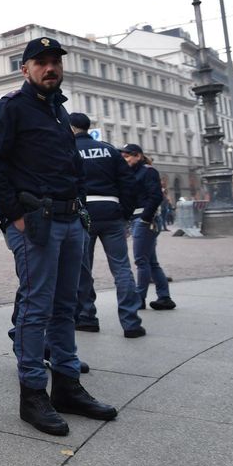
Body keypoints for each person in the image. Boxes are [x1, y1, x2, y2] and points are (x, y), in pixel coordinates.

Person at [0, 36, 117, 437]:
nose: (49, 67)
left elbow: (68, 166)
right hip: (36, 223)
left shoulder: (59, 111)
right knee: (36, 309)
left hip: (71, 220)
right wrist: (14, 215)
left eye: (55, 61)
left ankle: (68, 386)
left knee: (65, 306)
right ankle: (33, 394)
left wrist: (81, 208)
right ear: (25, 69)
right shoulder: (10, 109)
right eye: (41, 62)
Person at [69, 113, 144, 338]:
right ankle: (131, 322)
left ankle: (87, 317)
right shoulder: (109, 150)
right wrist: (125, 213)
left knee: (83, 269)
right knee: (121, 268)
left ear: (71, 128)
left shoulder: (68, 150)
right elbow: (128, 183)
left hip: (83, 214)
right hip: (112, 211)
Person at [123, 143, 175, 310]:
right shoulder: (132, 173)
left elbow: (155, 196)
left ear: (138, 155)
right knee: (151, 261)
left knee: (141, 260)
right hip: (139, 219)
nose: (125, 160)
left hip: (145, 220)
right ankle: (165, 297)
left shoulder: (148, 171)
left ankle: (140, 298)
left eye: (127, 156)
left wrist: (146, 218)